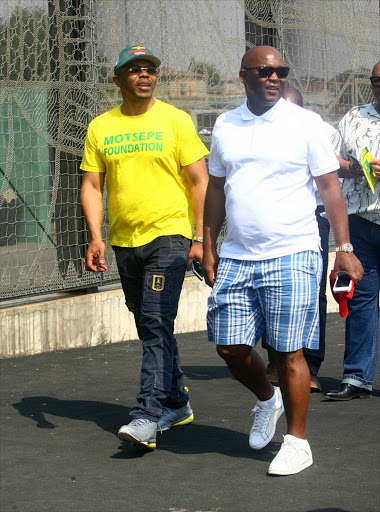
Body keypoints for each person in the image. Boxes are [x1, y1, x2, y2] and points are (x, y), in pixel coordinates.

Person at [203, 46, 363, 476]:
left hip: (293, 250)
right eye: (264, 71)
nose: (274, 78)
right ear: (243, 76)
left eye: (281, 72)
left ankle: (297, 442)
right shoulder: (225, 124)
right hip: (238, 253)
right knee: (230, 347)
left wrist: (343, 249)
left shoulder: (306, 124)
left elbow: (329, 188)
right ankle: (266, 400)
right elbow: (215, 188)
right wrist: (208, 243)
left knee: (288, 352)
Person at [80, 45, 209, 450]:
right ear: (118, 79)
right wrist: (96, 236)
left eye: (150, 69)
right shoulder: (101, 127)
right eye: (134, 70)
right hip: (123, 240)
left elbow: (199, 181)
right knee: (148, 322)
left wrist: (200, 238)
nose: (144, 75)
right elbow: (91, 185)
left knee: (153, 321)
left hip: (169, 237)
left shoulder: (175, 120)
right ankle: (176, 402)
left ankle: (147, 416)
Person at [263, 86, 335, 392]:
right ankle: (275, 362)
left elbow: (333, 177)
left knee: (313, 293)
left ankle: (311, 365)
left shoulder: (320, 130)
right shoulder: (261, 129)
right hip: (273, 216)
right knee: (270, 288)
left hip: (313, 217)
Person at [323, 61, 380, 401]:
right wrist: (356, 167)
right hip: (360, 223)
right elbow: (330, 161)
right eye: (377, 80)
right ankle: (357, 377)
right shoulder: (354, 118)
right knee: (359, 300)